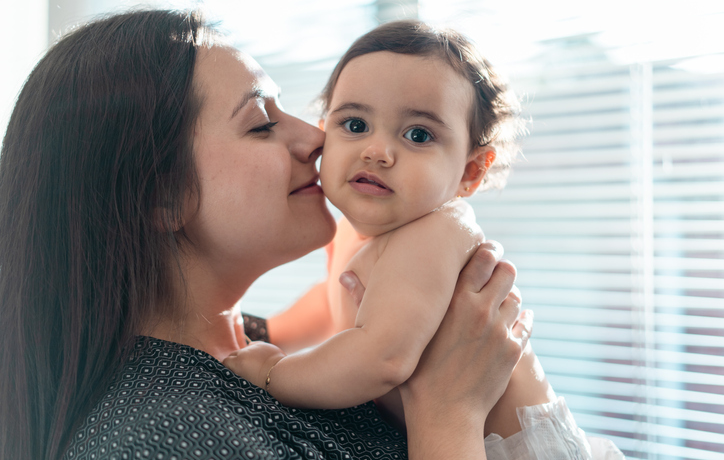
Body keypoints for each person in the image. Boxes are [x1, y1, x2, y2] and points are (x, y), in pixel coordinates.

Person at [0, 10, 531, 460]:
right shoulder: (161, 434)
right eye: (261, 123)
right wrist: (450, 414)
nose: (316, 138)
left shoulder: (248, 344)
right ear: (160, 196)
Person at [224, 20, 625, 459]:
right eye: (355, 125)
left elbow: (382, 357)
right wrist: (266, 332)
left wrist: (273, 372)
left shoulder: (434, 234)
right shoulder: (350, 234)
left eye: (418, 135)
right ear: (324, 131)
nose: (377, 151)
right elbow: (333, 301)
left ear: (471, 170)